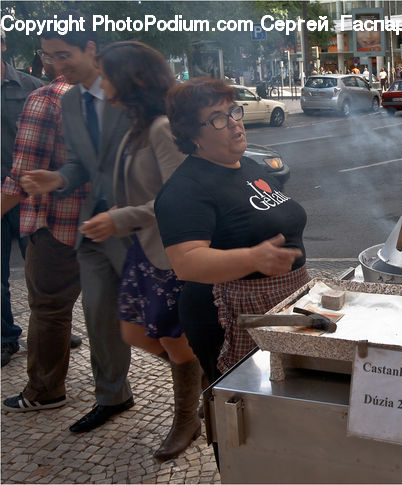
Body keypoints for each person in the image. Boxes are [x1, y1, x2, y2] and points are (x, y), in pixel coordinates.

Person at [19, 13, 134, 433]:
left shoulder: (129, 96)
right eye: (46, 56)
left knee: (158, 319)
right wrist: (61, 178)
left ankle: (189, 408)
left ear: (91, 49)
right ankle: (114, 396)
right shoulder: (68, 100)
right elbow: (83, 163)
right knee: (100, 316)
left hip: (127, 226)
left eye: (62, 54)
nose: (53, 65)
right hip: (88, 226)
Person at [155, 78, 309, 383]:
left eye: (233, 112)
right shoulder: (185, 189)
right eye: (217, 119)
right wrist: (252, 258)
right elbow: (186, 262)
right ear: (192, 135)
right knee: (248, 399)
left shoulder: (249, 166)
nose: (235, 124)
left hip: (284, 302)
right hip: (232, 316)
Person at [92, 41, 201, 461]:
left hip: (170, 251)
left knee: (174, 341)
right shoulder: (135, 125)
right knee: (135, 331)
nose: (101, 84)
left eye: (106, 75)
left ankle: (187, 418)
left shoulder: (159, 127)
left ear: (131, 78)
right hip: (145, 249)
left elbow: (177, 199)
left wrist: (120, 218)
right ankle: (199, 371)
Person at [1, 58, 85, 410]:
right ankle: (114, 391)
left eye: (51, 53)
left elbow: (23, 175)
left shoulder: (44, 96)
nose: (46, 60)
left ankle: (45, 391)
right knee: (100, 309)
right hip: (98, 222)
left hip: (52, 219)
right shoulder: (106, 97)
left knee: (49, 308)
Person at [1, 33, 44, 367]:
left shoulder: (31, 87)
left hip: (28, 194)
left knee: (40, 269)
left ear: (2, 45)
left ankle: (48, 328)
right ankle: (5, 336)